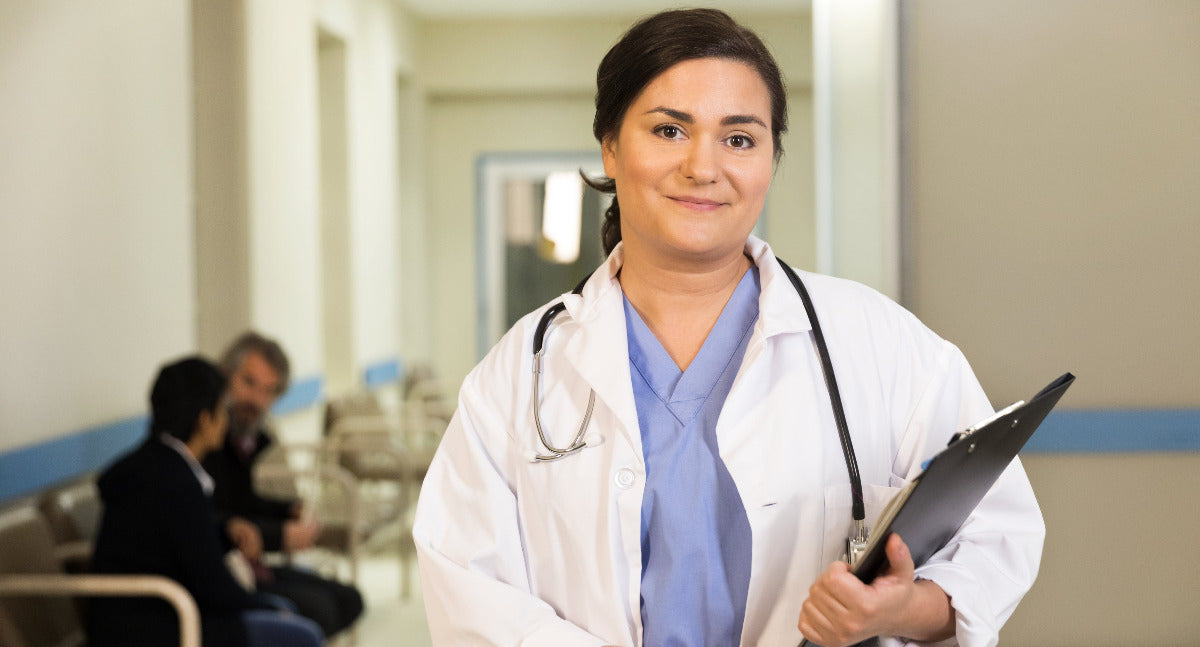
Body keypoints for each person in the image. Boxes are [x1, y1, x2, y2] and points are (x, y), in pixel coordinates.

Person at [412, 8, 1044, 647]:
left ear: (771, 157)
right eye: (668, 130)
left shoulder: (878, 343)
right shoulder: (519, 372)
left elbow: (998, 533)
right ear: (609, 144)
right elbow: (469, 593)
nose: (702, 167)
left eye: (739, 138)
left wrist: (897, 612)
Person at [88, 357, 323, 647]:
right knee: (301, 635)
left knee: (283, 614)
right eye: (222, 411)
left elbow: (175, 540)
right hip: (162, 625)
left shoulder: (152, 464)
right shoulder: (178, 482)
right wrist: (266, 606)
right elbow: (214, 586)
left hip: (131, 618)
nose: (226, 420)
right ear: (205, 420)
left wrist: (225, 528)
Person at [201, 331, 364, 639]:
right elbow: (215, 518)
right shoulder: (204, 444)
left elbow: (241, 502)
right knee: (319, 611)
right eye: (249, 383)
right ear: (225, 377)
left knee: (349, 599)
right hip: (226, 575)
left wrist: (287, 513)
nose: (257, 401)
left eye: (269, 391)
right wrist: (278, 535)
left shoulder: (252, 439)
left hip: (250, 565)